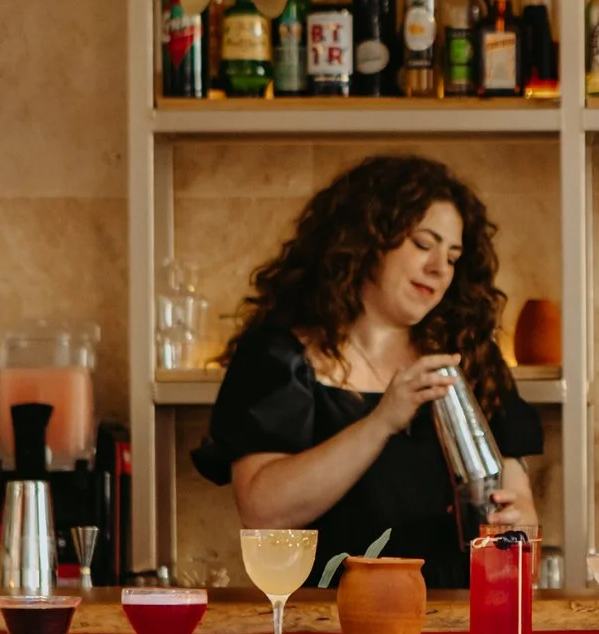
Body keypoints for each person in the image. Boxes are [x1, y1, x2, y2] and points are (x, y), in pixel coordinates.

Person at [192, 154, 539, 587]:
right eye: (422, 244)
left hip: (453, 621)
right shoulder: (280, 355)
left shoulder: (469, 356)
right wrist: (380, 423)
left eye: (452, 256)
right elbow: (263, 510)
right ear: (367, 239)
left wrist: (518, 521)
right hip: (328, 623)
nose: (439, 268)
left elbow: (517, 498)